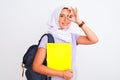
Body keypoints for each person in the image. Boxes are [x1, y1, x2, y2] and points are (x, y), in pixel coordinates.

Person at [32, 5, 98, 80]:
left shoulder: (72, 37)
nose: (66, 19)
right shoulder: (48, 38)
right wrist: (62, 74)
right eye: (62, 16)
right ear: (56, 17)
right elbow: (36, 66)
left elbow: (94, 40)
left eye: (69, 16)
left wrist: (79, 22)